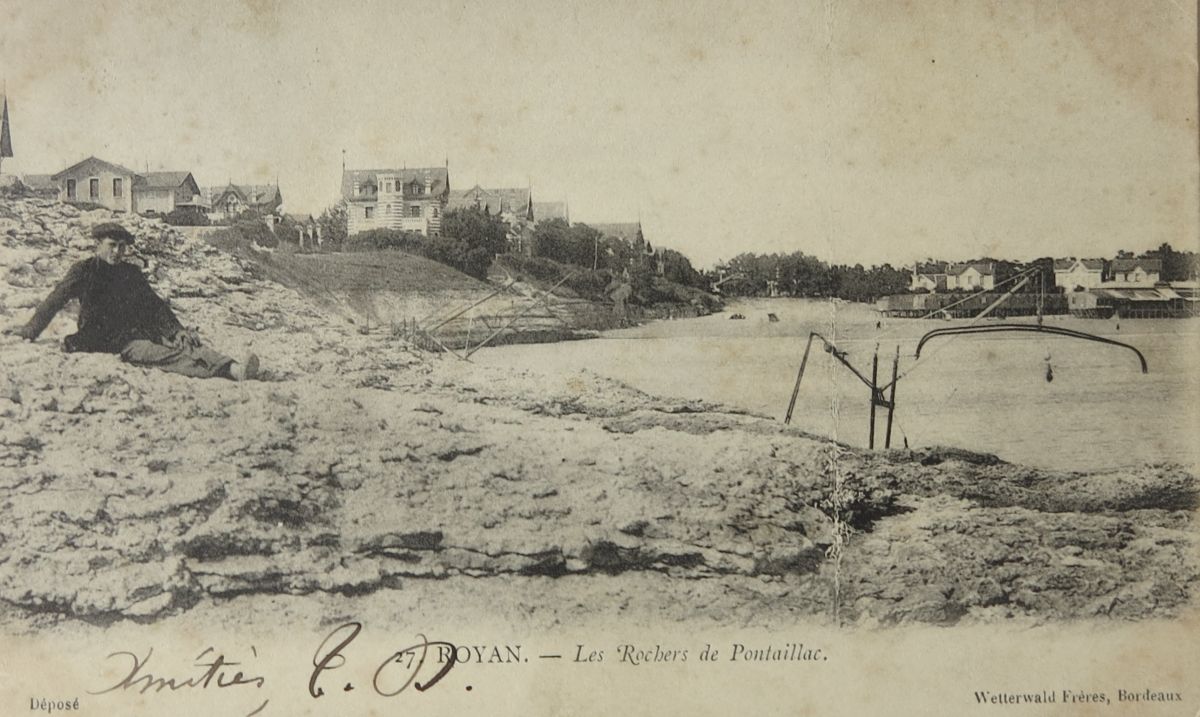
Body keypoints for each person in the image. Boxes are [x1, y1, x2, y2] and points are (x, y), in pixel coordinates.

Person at [5, 222, 260, 380]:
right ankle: (227, 372)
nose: (117, 252)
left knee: (186, 342)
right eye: (112, 245)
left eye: (122, 247)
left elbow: (155, 305)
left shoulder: (131, 273)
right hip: (110, 340)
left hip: (142, 330)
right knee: (167, 356)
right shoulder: (84, 270)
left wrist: (177, 329)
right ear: (98, 245)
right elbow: (55, 299)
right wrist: (30, 331)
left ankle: (236, 367)